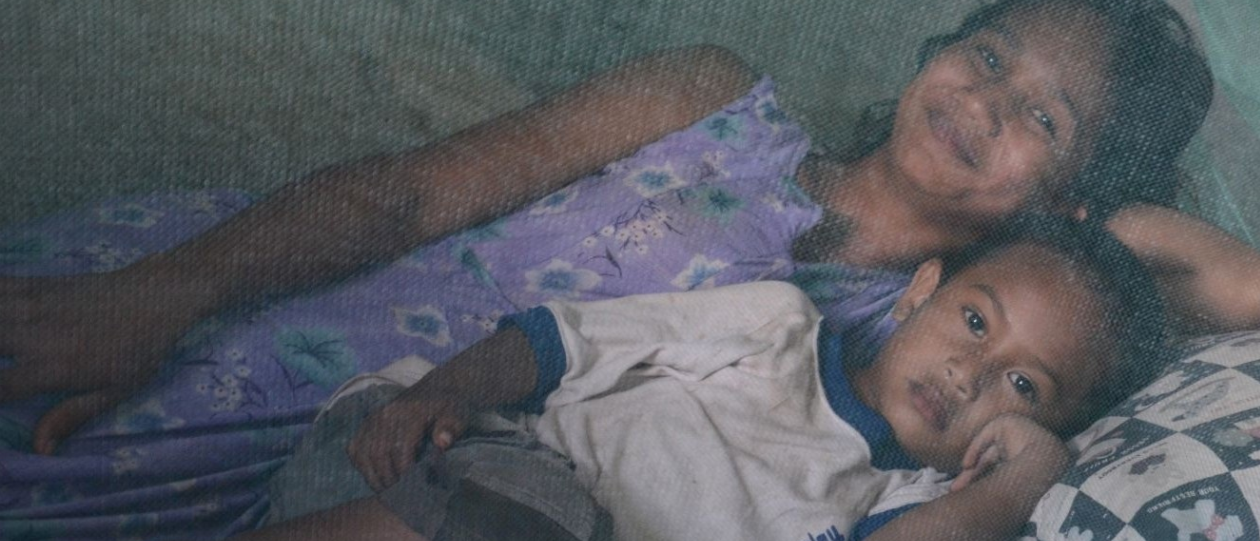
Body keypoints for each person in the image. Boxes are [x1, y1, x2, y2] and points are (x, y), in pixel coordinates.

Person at [0, 0, 1254, 539]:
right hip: (231, 317)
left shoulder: (908, 348)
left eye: (1041, 116)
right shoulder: (710, 100)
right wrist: (160, 291)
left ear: (1074, 196)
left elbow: (1224, 280)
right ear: (932, 52)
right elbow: (409, 198)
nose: (982, 103)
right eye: (987, 56)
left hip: (425, 493)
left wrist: (1098, 224)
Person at [236, 214, 1171, 541]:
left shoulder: (911, 497)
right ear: (919, 290)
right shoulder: (775, 326)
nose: (972, 373)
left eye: (1024, 386)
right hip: (433, 457)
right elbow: (557, 341)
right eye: (975, 320)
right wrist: (442, 392)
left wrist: (1019, 482)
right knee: (537, 510)